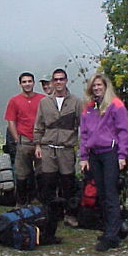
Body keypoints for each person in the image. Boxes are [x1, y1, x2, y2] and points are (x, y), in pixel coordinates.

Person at [79, 72, 128, 252]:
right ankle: (108, 229)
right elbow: (84, 134)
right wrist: (84, 157)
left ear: (105, 86)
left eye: (99, 85)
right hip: (94, 154)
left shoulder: (115, 105)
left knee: (111, 193)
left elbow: (123, 131)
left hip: (110, 153)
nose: (96, 88)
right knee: (100, 193)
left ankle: (112, 236)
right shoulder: (88, 107)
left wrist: (122, 155)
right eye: (94, 86)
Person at [34, 68, 82, 226]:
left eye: (62, 79)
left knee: (68, 183)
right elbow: (39, 125)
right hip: (48, 148)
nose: (59, 82)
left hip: (66, 148)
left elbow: (83, 125)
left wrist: (83, 148)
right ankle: (51, 214)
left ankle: (70, 214)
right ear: (52, 82)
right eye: (56, 79)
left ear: (66, 81)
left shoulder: (76, 102)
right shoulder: (45, 102)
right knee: (48, 182)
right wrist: (38, 145)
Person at [4, 72, 45, 206]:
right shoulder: (14, 100)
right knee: (21, 174)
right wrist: (17, 140)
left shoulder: (43, 99)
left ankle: (41, 202)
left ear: (33, 83)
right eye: (24, 82)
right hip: (24, 140)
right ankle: (21, 203)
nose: (27, 84)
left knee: (43, 172)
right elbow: (11, 121)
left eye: (29, 81)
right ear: (20, 84)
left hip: (41, 141)